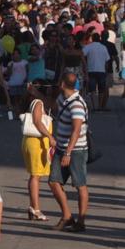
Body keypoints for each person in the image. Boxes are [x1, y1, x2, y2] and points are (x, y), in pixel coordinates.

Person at [48, 70, 90, 233]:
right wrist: (36, 93)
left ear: (63, 84)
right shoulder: (63, 98)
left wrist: (68, 153)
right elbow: (53, 107)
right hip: (61, 147)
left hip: (76, 150)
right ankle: (67, 216)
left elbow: (76, 130)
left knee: (80, 184)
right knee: (54, 181)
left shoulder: (77, 104)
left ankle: (81, 221)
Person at [20, 79, 53, 221]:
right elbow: (37, 121)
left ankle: (33, 206)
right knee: (36, 176)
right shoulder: (38, 103)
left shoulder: (31, 101)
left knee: (34, 175)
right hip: (36, 143)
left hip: (29, 141)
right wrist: (50, 136)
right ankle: (36, 208)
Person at [82, 32, 111, 110]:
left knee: (92, 90)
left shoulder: (88, 47)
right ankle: (100, 106)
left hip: (91, 70)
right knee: (101, 90)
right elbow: (107, 60)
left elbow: (82, 54)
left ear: (92, 39)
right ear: (99, 38)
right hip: (101, 70)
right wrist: (106, 70)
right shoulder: (103, 47)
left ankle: (94, 106)